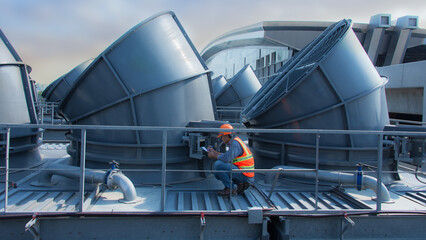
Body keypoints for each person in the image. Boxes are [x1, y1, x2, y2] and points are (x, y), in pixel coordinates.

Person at [207, 124, 254, 196]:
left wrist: (213, 155)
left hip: (246, 175)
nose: (221, 139)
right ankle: (239, 184)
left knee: (218, 165)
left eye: (222, 137)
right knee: (218, 171)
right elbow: (227, 156)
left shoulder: (235, 144)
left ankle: (231, 188)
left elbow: (227, 159)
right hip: (243, 171)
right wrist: (213, 152)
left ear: (226, 136)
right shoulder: (235, 141)